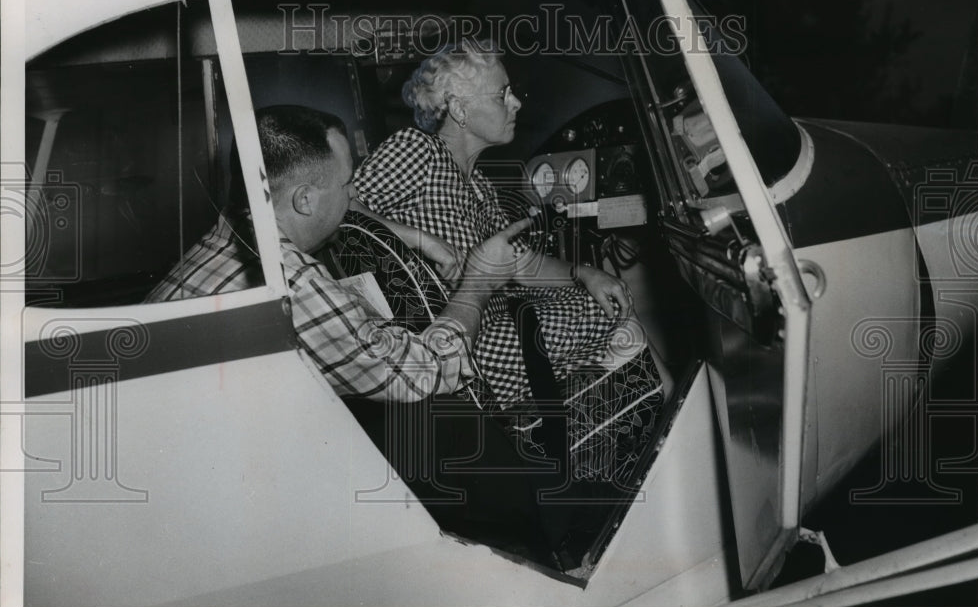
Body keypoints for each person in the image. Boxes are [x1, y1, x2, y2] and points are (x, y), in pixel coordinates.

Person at [146, 105, 587, 569]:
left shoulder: (221, 240)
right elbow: (419, 374)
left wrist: (415, 240)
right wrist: (477, 280)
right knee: (436, 425)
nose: (354, 194)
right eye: (346, 186)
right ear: (303, 200)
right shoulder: (290, 283)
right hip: (229, 519)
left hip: (194, 473)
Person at [353, 40, 669, 482]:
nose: (515, 102)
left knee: (612, 304)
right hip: (463, 341)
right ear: (459, 110)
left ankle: (619, 443)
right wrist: (419, 239)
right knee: (618, 322)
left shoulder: (478, 184)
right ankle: (658, 433)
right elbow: (342, 210)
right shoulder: (415, 151)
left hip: (495, 327)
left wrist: (585, 273)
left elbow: (520, 264)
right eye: (501, 94)